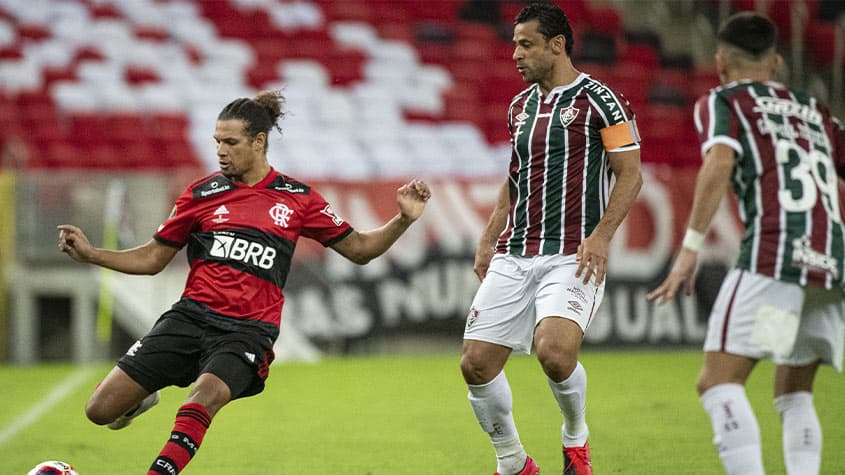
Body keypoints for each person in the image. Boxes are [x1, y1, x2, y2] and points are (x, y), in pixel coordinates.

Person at [57, 90, 431, 475]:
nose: (221, 150)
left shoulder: (298, 198)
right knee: (99, 410)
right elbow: (154, 257)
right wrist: (92, 254)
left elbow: (360, 249)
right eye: (217, 141)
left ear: (258, 141)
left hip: (246, 332)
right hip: (189, 318)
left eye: (231, 142)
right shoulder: (201, 194)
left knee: (201, 400)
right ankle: (144, 396)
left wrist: (402, 219)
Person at [648, 12, 845, 475]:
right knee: (794, 390)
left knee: (718, 382)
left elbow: (719, 161)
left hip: (774, 258)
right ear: (776, 63)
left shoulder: (724, 102)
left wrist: (691, 247)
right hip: (828, 266)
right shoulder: (817, 112)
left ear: (720, 62)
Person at [459, 3, 643, 475]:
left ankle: (575, 439)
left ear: (556, 45)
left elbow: (630, 175)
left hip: (573, 252)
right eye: (514, 44)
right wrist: (488, 237)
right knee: (475, 365)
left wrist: (602, 237)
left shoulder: (604, 101)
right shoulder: (519, 107)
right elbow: (514, 178)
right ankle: (514, 462)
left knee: (555, 355)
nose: (515, 55)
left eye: (526, 44)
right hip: (516, 251)